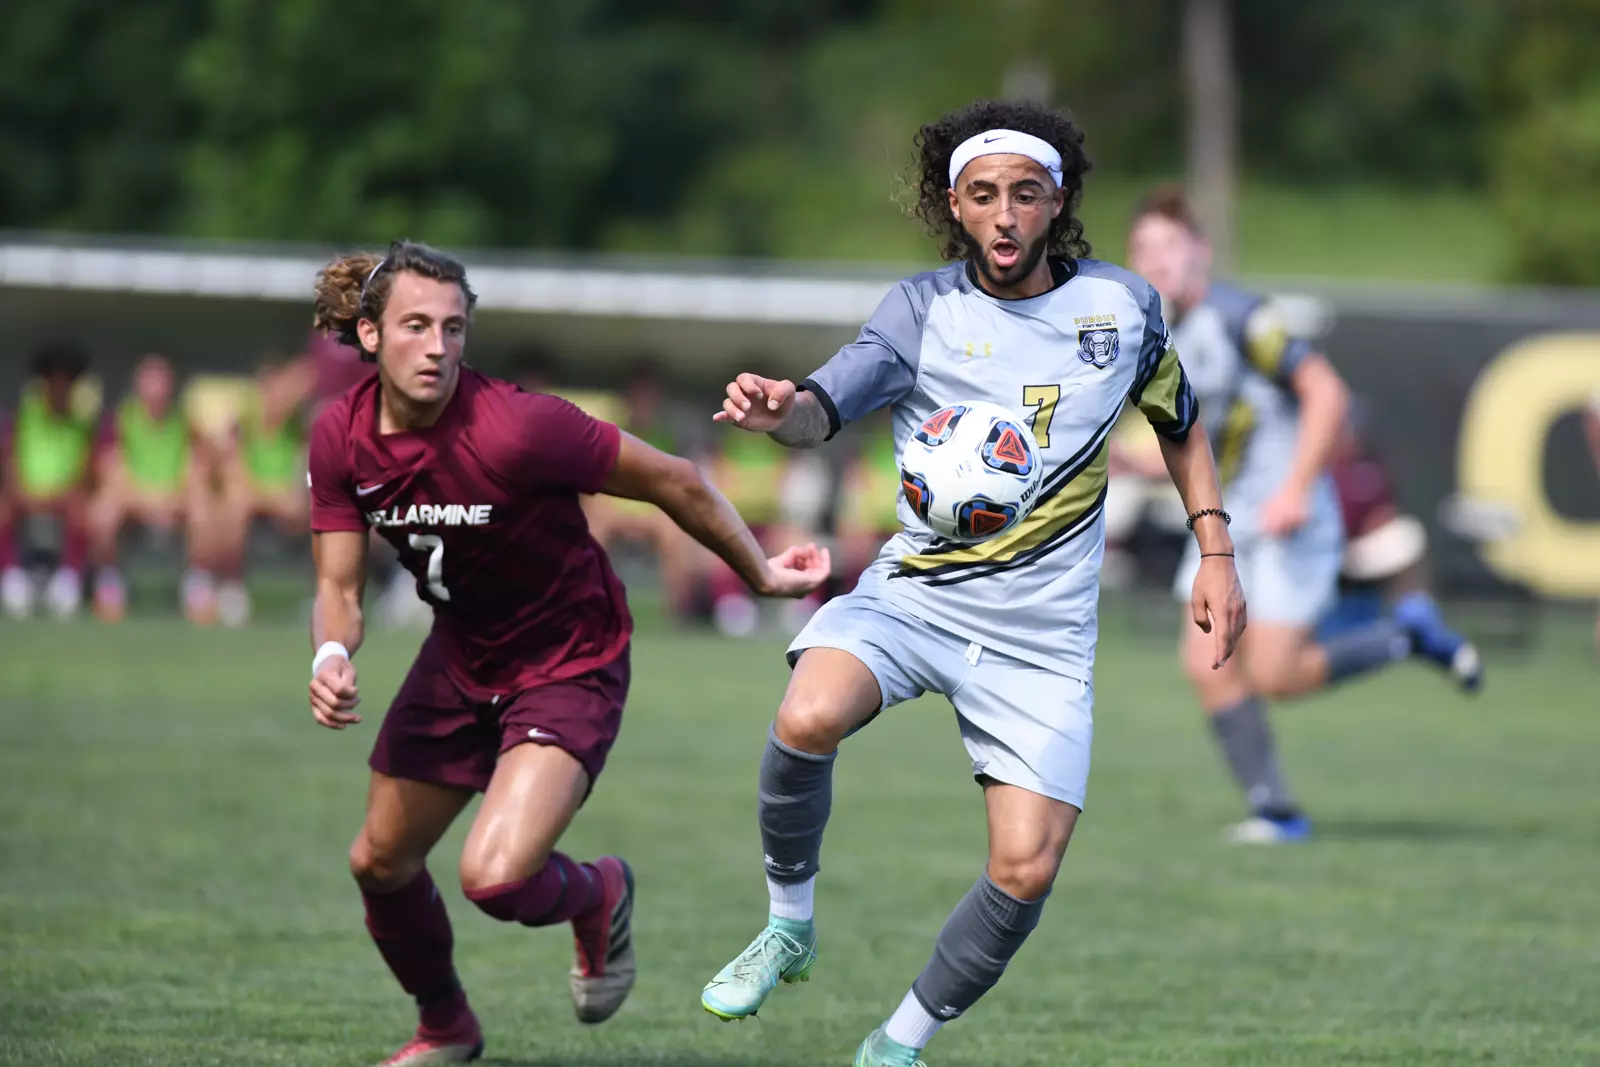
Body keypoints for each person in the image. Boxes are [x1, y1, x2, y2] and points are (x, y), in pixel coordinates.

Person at [697, 100, 1246, 1067]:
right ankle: (789, 922)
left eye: (1024, 196)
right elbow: (823, 408)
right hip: (919, 596)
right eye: (982, 196)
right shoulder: (920, 311)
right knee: (808, 712)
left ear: (1057, 202)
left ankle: (896, 1045)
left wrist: (1217, 552)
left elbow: (1178, 421)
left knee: (1027, 865)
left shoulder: (1122, 308)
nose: (1003, 216)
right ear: (954, 205)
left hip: (1042, 640)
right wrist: (779, 409)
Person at [304, 239, 829, 1067]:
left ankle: (601, 892)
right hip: (460, 655)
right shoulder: (338, 439)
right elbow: (339, 583)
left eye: (454, 327)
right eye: (415, 326)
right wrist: (330, 650)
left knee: (497, 878)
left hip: (568, 657)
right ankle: (446, 1028)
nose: (438, 345)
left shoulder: (518, 426)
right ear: (369, 336)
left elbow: (676, 479)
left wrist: (760, 571)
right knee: (379, 860)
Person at [1126, 184, 1481, 845]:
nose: (1158, 259)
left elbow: (1328, 393)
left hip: (1289, 519)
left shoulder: (1244, 317)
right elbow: (1199, 437)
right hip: (1226, 525)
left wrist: (1294, 486)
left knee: (1276, 676)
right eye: (1144, 248)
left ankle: (1406, 632)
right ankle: (1276, 810)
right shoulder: (1166, 333)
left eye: (1171, 245)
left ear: (1201, 250)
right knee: (1206, 658)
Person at [87, 354, 216, 622]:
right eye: (150, 379)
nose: (157, 387)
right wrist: (147, 503)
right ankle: (110, 581)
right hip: (134, 502)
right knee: (105, 505)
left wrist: (169, 502)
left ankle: (197, 582)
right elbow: (110, 470)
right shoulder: (121, 419)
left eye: (162, 379)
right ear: (137, 384)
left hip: (174, 501)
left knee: (202, 501)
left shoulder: (184, 422)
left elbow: (198, 468)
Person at [211, 355, 316, 626]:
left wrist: (292, 498)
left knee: (326, 508)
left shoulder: (301, 427)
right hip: (256, 507)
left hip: (292, 509)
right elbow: (234, 478)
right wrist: (276, 499)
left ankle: (322, 597)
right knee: (234, 504)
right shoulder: (244, 422)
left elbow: (306, 476)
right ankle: (231, 588)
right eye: (278, 387)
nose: (285, 396)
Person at [0, 343, 101, 619]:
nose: (59, 386)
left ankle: (68, 581)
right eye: (53, 379)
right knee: (2, 507)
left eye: (66, 380)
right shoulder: (24, 415)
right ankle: (11, 578)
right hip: (24, 494)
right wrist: (21, 491)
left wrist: (62, 495)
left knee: (83, 509)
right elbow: (9, 459)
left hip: (64, 499)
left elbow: (85, 472)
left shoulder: (82, 423)